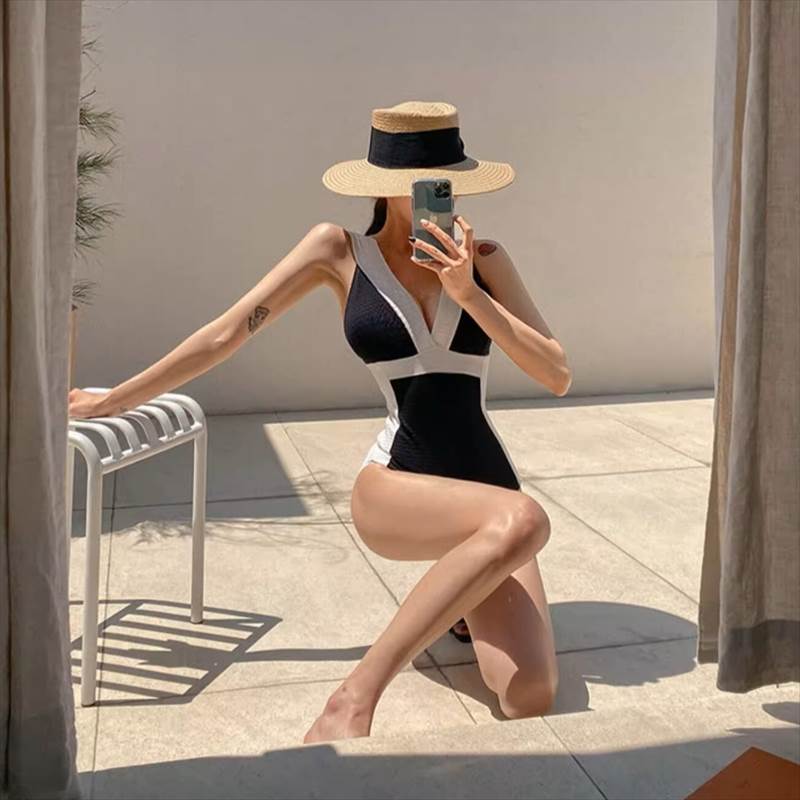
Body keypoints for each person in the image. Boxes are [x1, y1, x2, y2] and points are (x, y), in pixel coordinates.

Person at [68, 100, 572, 744]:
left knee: (529, 696)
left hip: (486, 490)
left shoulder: (487, 260)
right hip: (399, 482)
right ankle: (353, 697)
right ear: (383, 184)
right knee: (525, 519)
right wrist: (114, 400)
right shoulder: (338, 251)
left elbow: (556, 373)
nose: (436, 190)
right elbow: (227, 333)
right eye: (422, 179)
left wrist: (470, 293)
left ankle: (460, 592)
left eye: (446, 179)